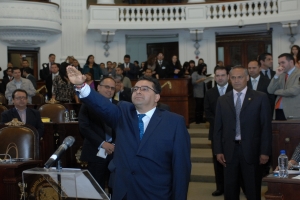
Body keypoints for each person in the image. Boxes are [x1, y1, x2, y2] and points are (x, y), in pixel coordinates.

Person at [67, 66, 191, 200]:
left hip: (156, 193)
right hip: (124, 193)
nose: (138, 91)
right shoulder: (123, 112)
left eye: (144, 89)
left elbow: (181, 168)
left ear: (157, 97)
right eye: (135, 89)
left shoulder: (174, 122)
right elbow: (102, 105)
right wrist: (81, 86)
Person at [214, 66, 272, 200]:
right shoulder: (222, 100)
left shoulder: (260, 97)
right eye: (233, 77)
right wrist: (218, 151)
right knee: (230, 190)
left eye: (240, 77)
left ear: (247, 78)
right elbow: (218, 128)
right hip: (229, 151)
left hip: (252, 151)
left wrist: (265, 151)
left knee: (252, 189)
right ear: (229, 79)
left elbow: (265, 127)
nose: (236, 80)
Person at [79, 77, 118, 193]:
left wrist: (115, 144)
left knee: (116, 187)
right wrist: (102, 143)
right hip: (96, 152)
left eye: (112, 88)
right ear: (98, 88)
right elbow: (83, 127)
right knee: (96, 189)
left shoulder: (119, 105)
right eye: (107, 87)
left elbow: (123, 128)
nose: (109, 90)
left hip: (116, 153)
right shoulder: (88, 104)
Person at [204, 66, 232, 196]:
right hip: (216, 132)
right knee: (218, 161)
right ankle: (220, 187)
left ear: (228, 76)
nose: (220, 78)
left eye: (222, 75)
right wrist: (220, 124)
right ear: (215, 77)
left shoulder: (235, 90)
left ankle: (236, 185)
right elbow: (208, 112)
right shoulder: (210, 92)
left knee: (234, 160)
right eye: (218, 75)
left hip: (233, 132)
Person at [267, 53, 300, 120]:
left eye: (283, 62)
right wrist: (276, 76)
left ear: (291, 62)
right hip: (278, 110)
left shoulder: (298, 74)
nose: (280, 65)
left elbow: (294, 91)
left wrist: (277, 92)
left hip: (293, 112)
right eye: (279, 63)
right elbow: (270, 90)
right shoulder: (281, 74)